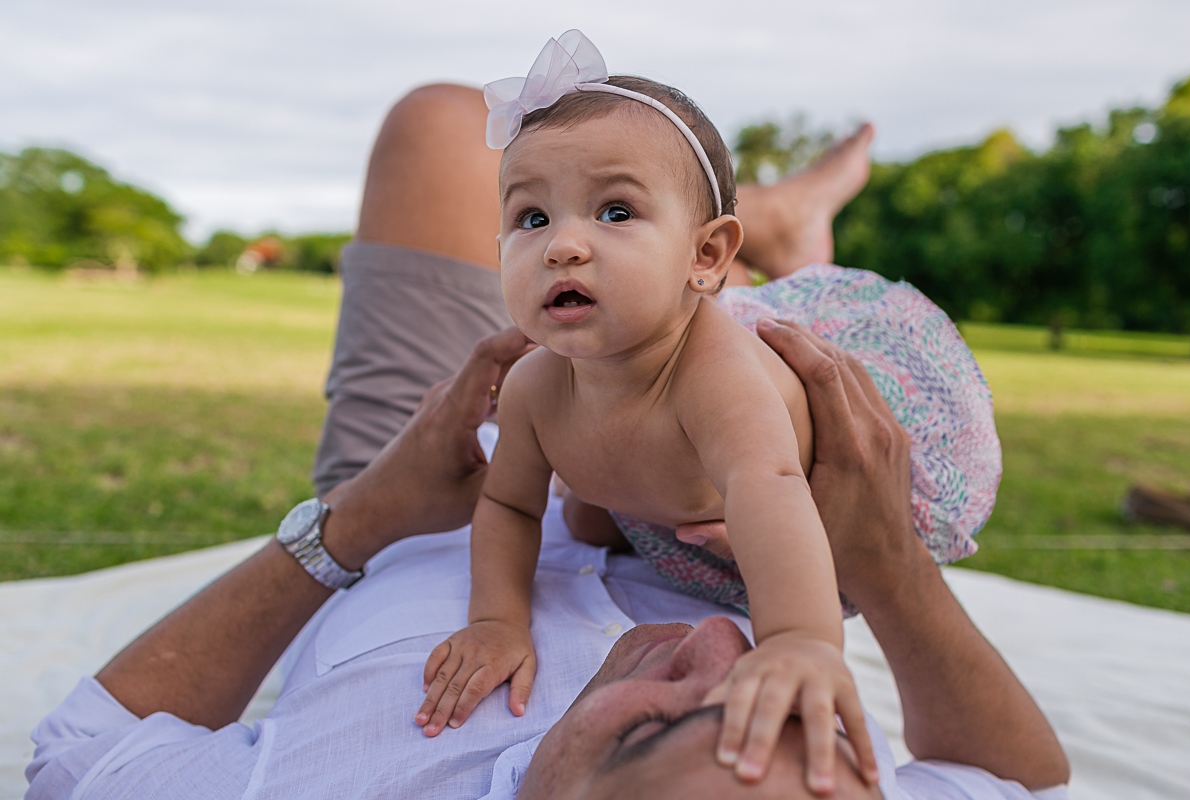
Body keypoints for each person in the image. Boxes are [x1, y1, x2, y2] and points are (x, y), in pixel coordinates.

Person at [26, 74, 1068, 800]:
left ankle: (711, 246)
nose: (722, 652)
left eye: (658, 721)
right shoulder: (713, 431)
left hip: (404, 500)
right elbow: (767, 489)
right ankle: (743, 246)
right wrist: (810, 633)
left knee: (438, 123)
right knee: (664, 337)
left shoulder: (530, 387)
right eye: (824, 732)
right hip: (777, 483)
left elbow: (80, 752)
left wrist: (391, 529)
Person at [417, 31, 999, 789]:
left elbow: (771, 491)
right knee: (590, 515)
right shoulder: (533, 387)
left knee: (616, 501)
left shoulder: (717, 377)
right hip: (674, 487)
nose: (562, 245)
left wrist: (799, 640)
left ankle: (793, 239)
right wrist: (498, 617)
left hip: (804, 498)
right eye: (531, 219)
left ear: (706, 256)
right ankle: (784, 225)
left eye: (614, 211)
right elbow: (509, 503)